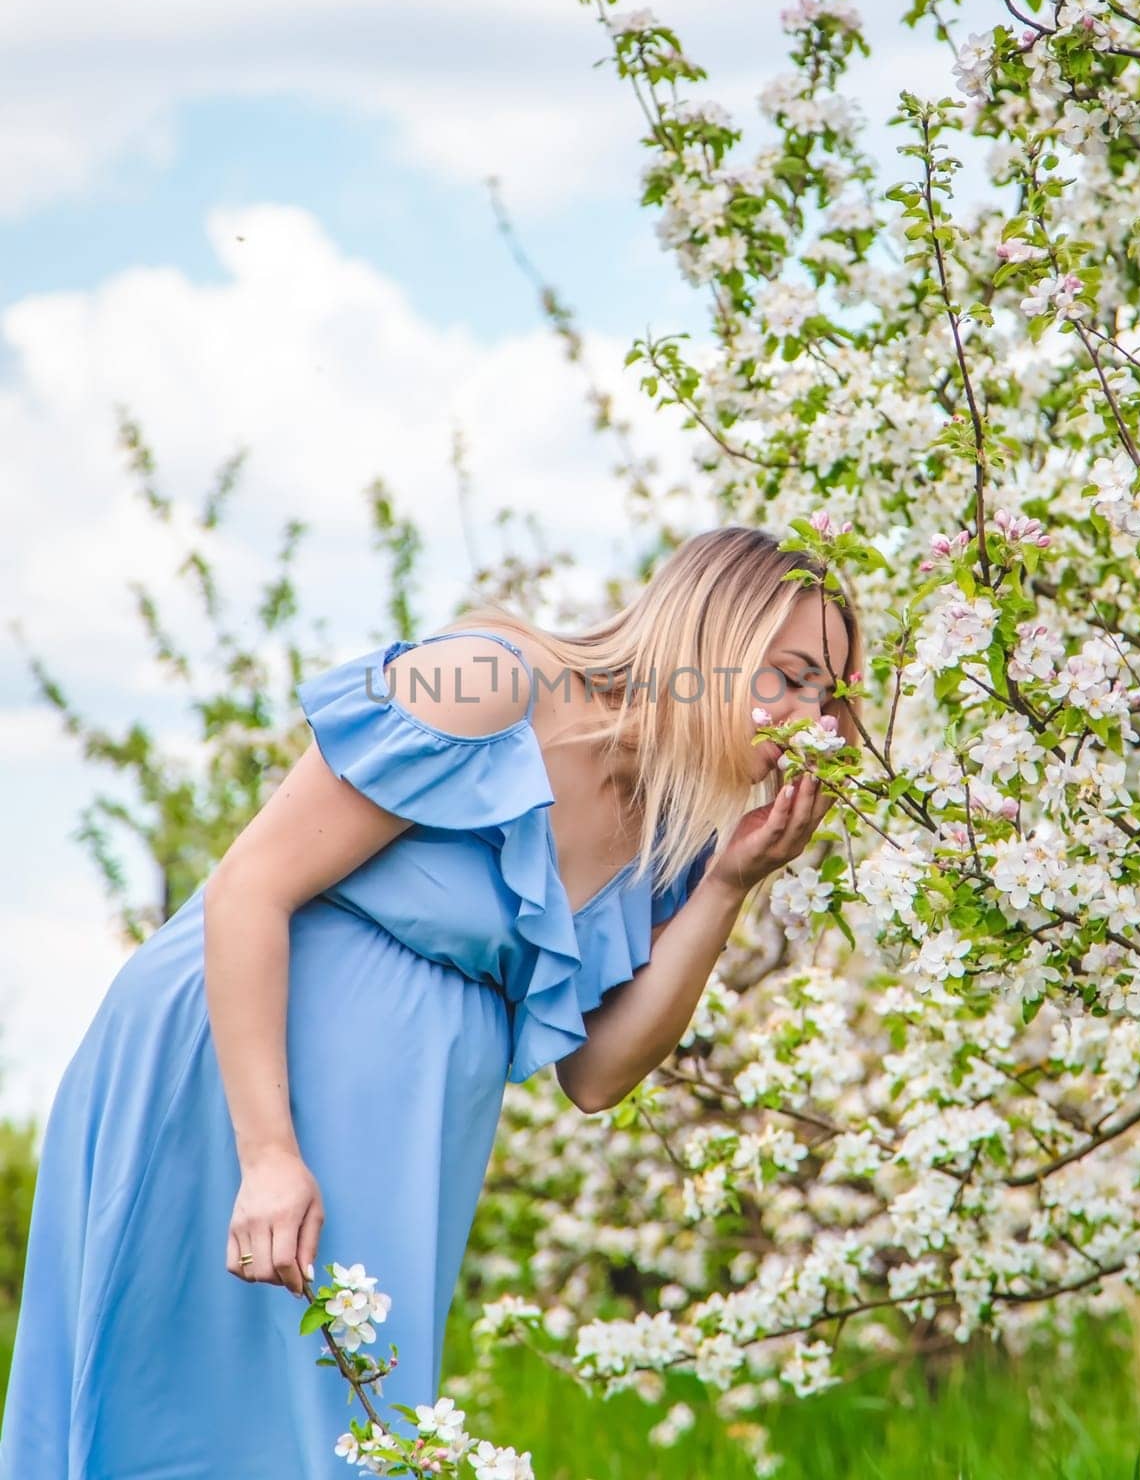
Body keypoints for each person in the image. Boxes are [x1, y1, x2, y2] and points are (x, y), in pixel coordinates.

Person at [0, 524, 860, 1476]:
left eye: (829, 694)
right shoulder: (490, 682)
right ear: (709, 642)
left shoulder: (674, 837)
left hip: (406, 1137)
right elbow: (250, 886)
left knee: (349, 1425)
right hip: (233, 1077)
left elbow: (597, 1074)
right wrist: (270, 1155)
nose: (810, 720)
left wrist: (729, 885)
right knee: (175, 1404)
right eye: (787, 676)